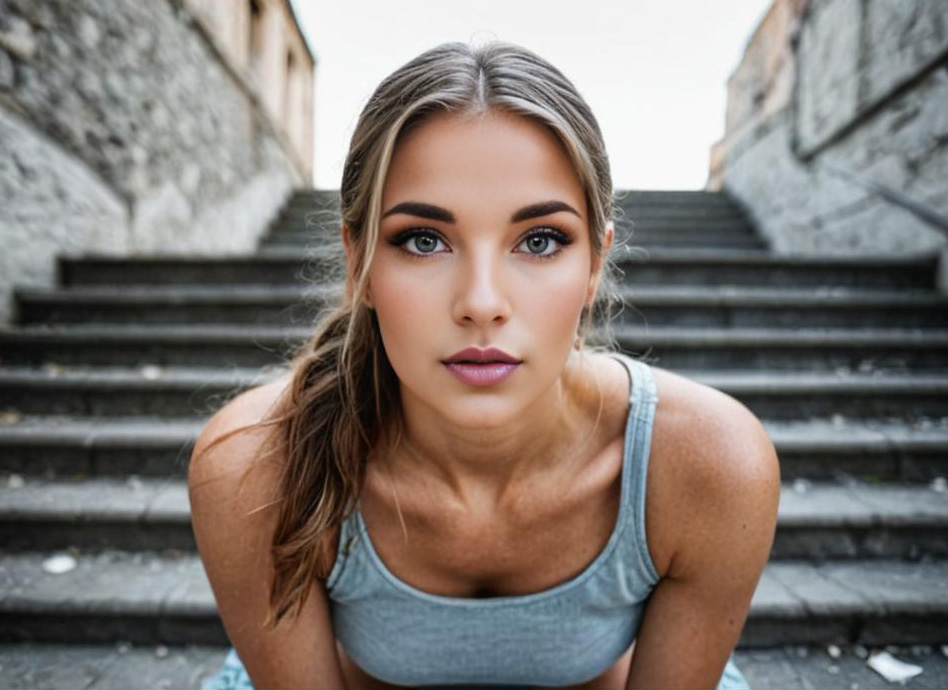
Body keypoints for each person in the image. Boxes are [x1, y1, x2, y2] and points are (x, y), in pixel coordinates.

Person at [190, 40, 780, 690]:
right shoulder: (254, 464)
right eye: (423, 240)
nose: (481, 304)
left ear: (594, 264)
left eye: (538, 241)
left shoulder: (707, 464)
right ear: (358, 262)